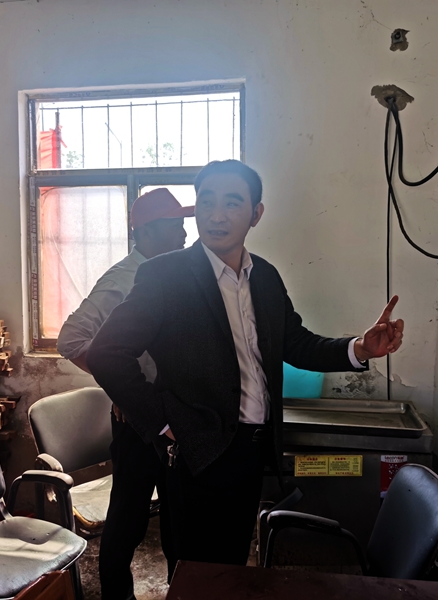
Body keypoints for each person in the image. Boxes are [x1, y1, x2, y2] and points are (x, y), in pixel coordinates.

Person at [87, 159, 405, 572]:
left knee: (234, 565)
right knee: (194, 573)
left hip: (252, 450)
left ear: (256, 213)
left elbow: (296, 343)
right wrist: (161, 423)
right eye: (207, 202)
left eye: (232, 203)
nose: (216, 215)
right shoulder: (165, 276)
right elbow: (106, 352)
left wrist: (359, 348)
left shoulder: (265, 277)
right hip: (196, 450)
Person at [57, 188, 194, 600]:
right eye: (175, 227)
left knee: (178, 520)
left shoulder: (170, 274)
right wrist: (122, 387)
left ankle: (180, 591)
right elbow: (71, 338)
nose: (184, 235)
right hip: (139, 421)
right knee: (128, 520)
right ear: (147, 233)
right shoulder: (124, 279)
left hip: (173, 416)